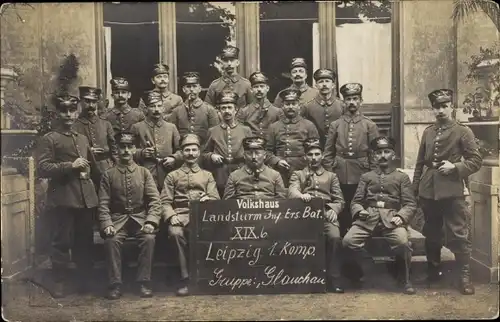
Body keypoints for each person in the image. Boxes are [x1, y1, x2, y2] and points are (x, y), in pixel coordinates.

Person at [412, 89, 482, 295]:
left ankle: (464, 277)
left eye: (444, 106)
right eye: (437, 107)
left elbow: (475, 160)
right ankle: (433, 273)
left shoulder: (463, 131)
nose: (441, 110)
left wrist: (455, 168)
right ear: (432, 109)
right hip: (428, 190)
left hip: (452, 190)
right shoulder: (428, 132)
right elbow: (419, 164)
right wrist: (415, 188)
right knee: (431, 233)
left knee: (459, 233)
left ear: (452, 107)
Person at [36, 94, 98, 298]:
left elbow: (91, 165)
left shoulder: (82, 138)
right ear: (58, 113)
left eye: (73, 110)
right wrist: (70, 166)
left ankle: (84, 281)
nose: (69, 114)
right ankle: (59, 282)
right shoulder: (50, 138)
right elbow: (43, 168)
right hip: (63, 198)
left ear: (78, 111)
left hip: (85, 198)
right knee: (61, 242)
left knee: (84, 242)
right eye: (64, 110)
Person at [343, 136, 417, 295]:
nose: (383, 156)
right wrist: (359, 210)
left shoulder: (401, 177)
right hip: (368, 218)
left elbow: (410, 204)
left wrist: (402, 217)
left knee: (403, 242)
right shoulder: (366, 177)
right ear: (373, 156)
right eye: (379, 153)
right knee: (348, 241)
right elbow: (356, 201)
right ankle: (369, 267)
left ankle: (404, 278)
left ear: (393, 155)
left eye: (387, 152)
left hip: (392, 218)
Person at [98, 132, 163, 300]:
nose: (126, 150)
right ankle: (115, 284)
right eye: (122, 147)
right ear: (117, 150)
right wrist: (107, 224)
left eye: (129, 146)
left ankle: (143, 282)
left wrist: (151, 221)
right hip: (118, 220)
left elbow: (155, 201)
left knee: (149, 238)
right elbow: (103, 204)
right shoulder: (108, 174)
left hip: (140, 218)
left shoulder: (144, 173)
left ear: (135, 149)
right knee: (111, 240)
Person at [161, 133, 220, 296]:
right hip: (179, 215)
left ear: (199, 152)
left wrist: (209, 198)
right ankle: (185, 279)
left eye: (194, 150)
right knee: (175, 233)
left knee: (211, 233)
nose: (191, 154)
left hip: (202, 216)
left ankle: (208, 278)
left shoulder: (207, 175)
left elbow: (216, 198)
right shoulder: (172, 176)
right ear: (182, 152)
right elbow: (164, 201)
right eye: (187, 150)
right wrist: (172, 216)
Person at [288, 138, 345, 293]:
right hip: (303, 215)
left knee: (334, 237)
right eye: (310, 154)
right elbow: (292, 190)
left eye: (317, 154)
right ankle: (300, 278)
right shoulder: (298, 174)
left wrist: (334, 209)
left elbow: (340, 199)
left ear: (322, 156)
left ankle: (334, 278)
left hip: (326, 214)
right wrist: (300, 195)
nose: (314, 158)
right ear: (305, 157)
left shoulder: (331, 176)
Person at [323, 83, 380, 237]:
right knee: (342, 203)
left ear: (361, 100)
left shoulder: (369, 125)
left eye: (355, 98)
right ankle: (342, 237)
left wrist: (374, 175)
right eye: (348, 99)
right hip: (339, 171)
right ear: (344, 102)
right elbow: (328, 152)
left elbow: (375, 153)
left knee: (359, 202)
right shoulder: (336, 125)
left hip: (361, 171)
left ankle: (357, 236)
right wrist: (329, 173)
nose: (352, 102)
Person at [203, 90, 253, 197]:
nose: (227, 111)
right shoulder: (213, 131)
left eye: (230, 107)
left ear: (236, 110)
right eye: (223, 108)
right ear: (219, 111)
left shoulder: (245, 130)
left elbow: (252, 152)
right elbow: (204, 153)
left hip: (241, 172)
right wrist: (211, 156)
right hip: (220, 173)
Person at [266, 88, 319, 187]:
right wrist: (277, 161)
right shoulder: (274, 127)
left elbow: (316, 151)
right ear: (282, 106)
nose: (290, 107)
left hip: (303, 172)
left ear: (299, 106)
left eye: (294, 103)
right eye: (287, 104)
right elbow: (267, 151)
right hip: (279, 173)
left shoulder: (309, 125)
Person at [131, 90, 181, 192]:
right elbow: (127, 151)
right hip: (144, 174)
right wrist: (141, 153)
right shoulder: (137, 127)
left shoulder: (171, 127)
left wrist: (174, 158)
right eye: (152, 106)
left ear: (163, 108)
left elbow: (181, 150)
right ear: (146, 109)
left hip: (167, 173)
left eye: (159, 106)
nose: (156, 109)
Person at [74, 86, 118, 192]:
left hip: (106, 168)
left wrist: (117, 168)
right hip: (85, 170)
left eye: (94, 102)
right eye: (87, 101)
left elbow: (114, 150)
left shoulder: (105, 124)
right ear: (80, 101)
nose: (91, 105)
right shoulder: (74, 126)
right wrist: (88, 152)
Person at [168, 72, 219, 146]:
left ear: (199, 89)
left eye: (194, 86)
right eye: (188, 87)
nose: (191, 89)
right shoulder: (177, 111)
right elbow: (172, 136)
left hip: (203, 151)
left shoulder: (209, 110)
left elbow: (214, 135)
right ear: (183, 89)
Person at [303, 69, 344, 148]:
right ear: (316, 85)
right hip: (315, 149)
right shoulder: (307, 107)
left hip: (338, 147)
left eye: (327, 81)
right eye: (321, 82)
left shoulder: (342, 105)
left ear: (333, 85)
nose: (324, 84)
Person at [205, 45, 253, 110]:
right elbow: (208, 109)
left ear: (237, 62)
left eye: (232, 60)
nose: (229, 63)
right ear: (221, 63)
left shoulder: (246, 85)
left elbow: (252, 109)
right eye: (226, 60)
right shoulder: (214, 85)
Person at [237, 71, 281, 138]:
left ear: (267, 88)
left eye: (262, 86)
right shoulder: (244, 112)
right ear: (251, 90)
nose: (259, 90)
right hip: (251, 146)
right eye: (256, 87)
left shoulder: (277, 112)